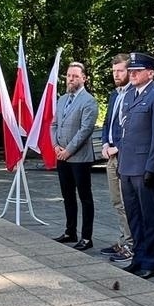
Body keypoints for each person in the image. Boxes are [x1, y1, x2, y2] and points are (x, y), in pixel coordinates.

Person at [113, 52, 154, 279]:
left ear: (150, 73)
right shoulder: (129, 95)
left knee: (150, 218)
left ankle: (150, 262)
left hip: (144, 168)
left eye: (137, 71)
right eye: (131, 71)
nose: (133, 74)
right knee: (134, 216)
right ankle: (138, 258)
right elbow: (123, 131)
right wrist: (121, 162)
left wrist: (153, 168)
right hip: (128, 165)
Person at [50, 62, 99, 250]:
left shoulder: (89, 101)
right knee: (67, 195)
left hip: (79, 158)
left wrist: (68, 150)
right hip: (61, 156)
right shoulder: (62, 99)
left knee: (85, 197)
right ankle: (70, 231)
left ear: (84, 78)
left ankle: (86, 237)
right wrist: (56, 146)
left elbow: (85, 130)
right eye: (69, 75)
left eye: (75, 76)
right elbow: (54, 124)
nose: (71, 79)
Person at [97, 54, 136, 262]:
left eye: (120, 71)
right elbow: (107, 123)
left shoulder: (134, 94)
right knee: (116, 201)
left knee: (128, 201)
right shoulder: (115, 95)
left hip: (126, 156)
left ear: (129, 71)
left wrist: (117, 147)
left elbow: (133, 128)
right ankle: (124, 240)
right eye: (113, 71)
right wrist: (105, 143)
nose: (116, 75)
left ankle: (131, 244)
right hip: (111, 155)